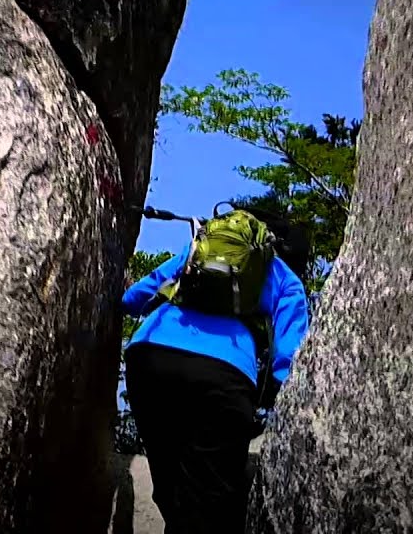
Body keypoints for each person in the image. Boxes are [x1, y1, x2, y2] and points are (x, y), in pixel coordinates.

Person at [121, 216, 309, 534]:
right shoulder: (287, 280)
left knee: (170, 481)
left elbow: (133, 299)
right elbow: (287, 362)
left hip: (149, 357)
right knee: (207, 498)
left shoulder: (199, 252)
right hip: (222, 375)